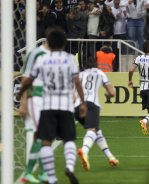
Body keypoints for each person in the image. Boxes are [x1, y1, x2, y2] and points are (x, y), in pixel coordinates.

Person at [18, 27, 87, 184]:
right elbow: (76, 81)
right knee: (60, 138)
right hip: (49, 101)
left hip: (47, 103)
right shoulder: (63, 57)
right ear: (63, 43)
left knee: (43, 139)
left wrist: (19, 93)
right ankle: (39, 172)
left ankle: (46, 175)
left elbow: (28, 79)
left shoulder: (45, 58)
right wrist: (23, 101)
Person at [75, 57, 119, 172]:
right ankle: (84, 151)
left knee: (97, 131)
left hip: (76, 107)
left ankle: (110, 157)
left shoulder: (80, 74)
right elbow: (112, 92)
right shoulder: (100, 73)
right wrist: (108, 95)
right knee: (92, 130)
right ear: (96, 64)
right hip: (91, 105)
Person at [19, 39, 50, 184]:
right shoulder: (36, 54)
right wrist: (23, 102)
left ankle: (33, 173)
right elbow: (25, 78)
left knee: (40, 136)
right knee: (42, 134)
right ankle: (34, 172)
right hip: (35, 97)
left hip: (46, 99)